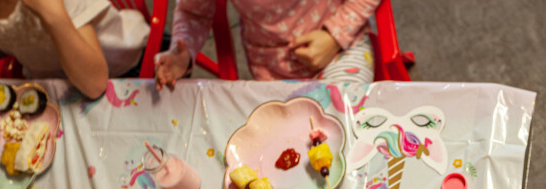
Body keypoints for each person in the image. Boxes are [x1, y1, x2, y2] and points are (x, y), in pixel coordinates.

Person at [154, 0, 381, 90]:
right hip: (271, 69)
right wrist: (182, 53)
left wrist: (333, 37)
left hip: (342, 49)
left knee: (345, 120)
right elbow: (193, 13)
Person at [0, 0, 150, 98]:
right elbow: (6, 37)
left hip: (121, 66)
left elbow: (94, 84)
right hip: (56, 84)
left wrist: (53, 16)